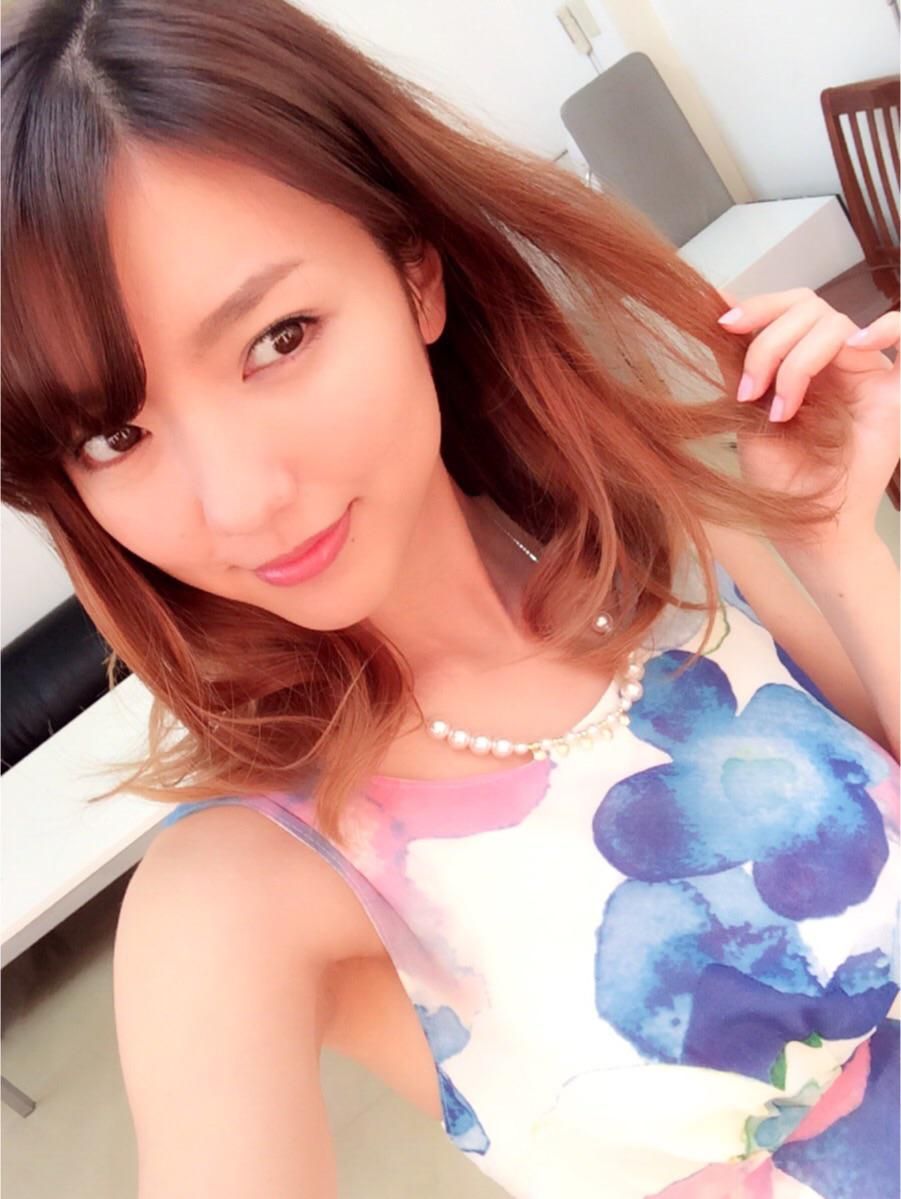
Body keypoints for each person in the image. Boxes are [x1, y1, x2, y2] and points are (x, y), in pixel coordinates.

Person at [2, 1, 898, 1196]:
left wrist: (839, 548)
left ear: (415, 275)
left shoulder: (668, 544)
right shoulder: (239, 891)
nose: (241, 500)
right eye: (115, 434)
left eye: (278, 338)